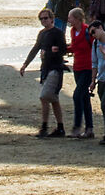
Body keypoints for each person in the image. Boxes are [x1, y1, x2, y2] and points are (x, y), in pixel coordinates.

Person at [17, 9, 68, 137]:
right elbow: (35, 49)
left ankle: (44, 127)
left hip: (56, 69)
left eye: (46, 18)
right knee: (54, 100)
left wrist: (51, 52)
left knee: (44, 97)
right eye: (41, 19)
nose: (44, 21)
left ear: (52, 19)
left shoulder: (58, 33)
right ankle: (60, 128)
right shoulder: (42, 34)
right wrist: (25, 64)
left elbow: (63, 50)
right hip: (45, 69)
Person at [67, 8, 96, 137]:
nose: (69, 20)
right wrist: (62, 49)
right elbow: (74, 47)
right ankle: (89, 129)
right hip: (77, 68)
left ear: (77, 18)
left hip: (88, 68)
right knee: (84, 98)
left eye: (70, 17)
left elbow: (95, 46)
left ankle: (77, 127)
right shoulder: (73, 31)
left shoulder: (87, 30)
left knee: (77, 95)